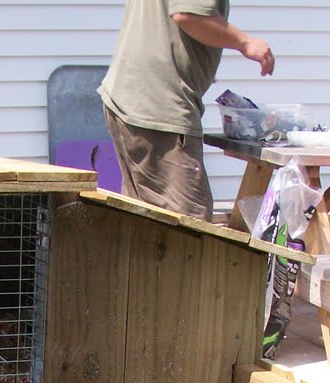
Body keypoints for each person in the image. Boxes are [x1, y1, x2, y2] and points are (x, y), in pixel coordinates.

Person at [99, 2, 275, 221]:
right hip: (159, 105)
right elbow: (188, 14)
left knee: (145, 224)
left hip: (131, 96)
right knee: (190, 225)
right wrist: (245, 42)